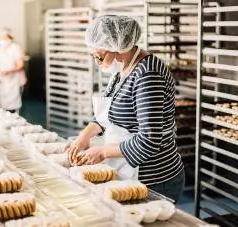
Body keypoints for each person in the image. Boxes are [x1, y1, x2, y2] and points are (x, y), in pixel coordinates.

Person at [66, 15, 185, 203]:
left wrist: (103, 152)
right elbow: (108, 114)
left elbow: (149, 140)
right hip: (128, 171)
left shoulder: (148, 75)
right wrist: (85, 135)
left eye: (100, 56)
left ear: (118, 47)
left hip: (154, 179)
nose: (97, 63)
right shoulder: (123, 69)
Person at [0, 27, 26, 113]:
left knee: (11, 108)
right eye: (1, 38)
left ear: (10, 38)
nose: (3, 40)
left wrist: (9, 71)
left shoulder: (15, 48)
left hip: (12, 82)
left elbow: (20, 65)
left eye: (5, 37)